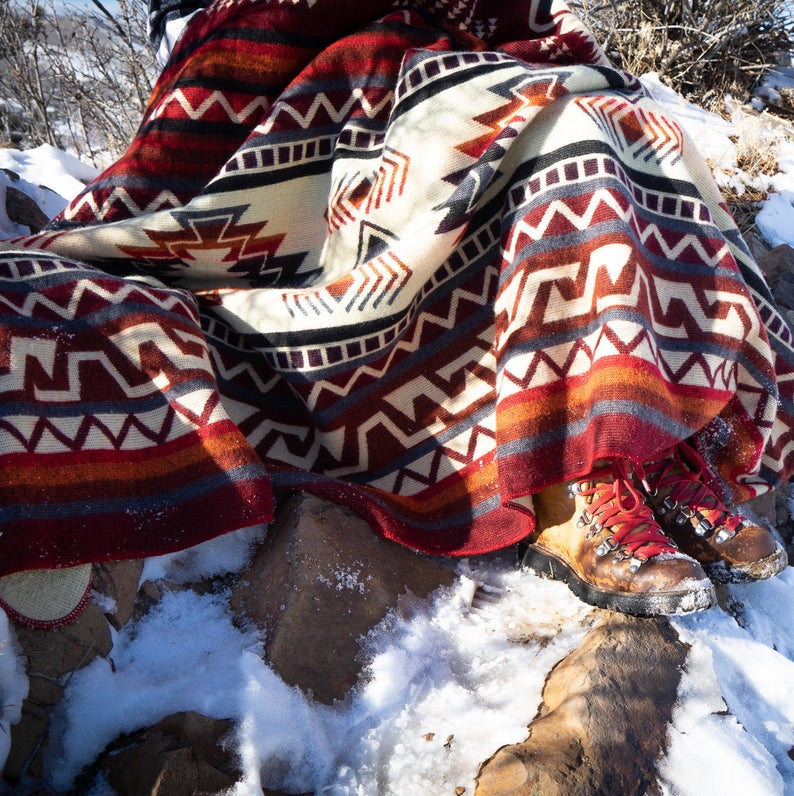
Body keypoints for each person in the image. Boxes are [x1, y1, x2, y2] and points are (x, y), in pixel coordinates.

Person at [0, 0, 791, 625]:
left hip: (438, 47)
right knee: (558, 139)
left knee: (628, 127)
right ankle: (568, 466)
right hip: (288, 77)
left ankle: (643, 433)